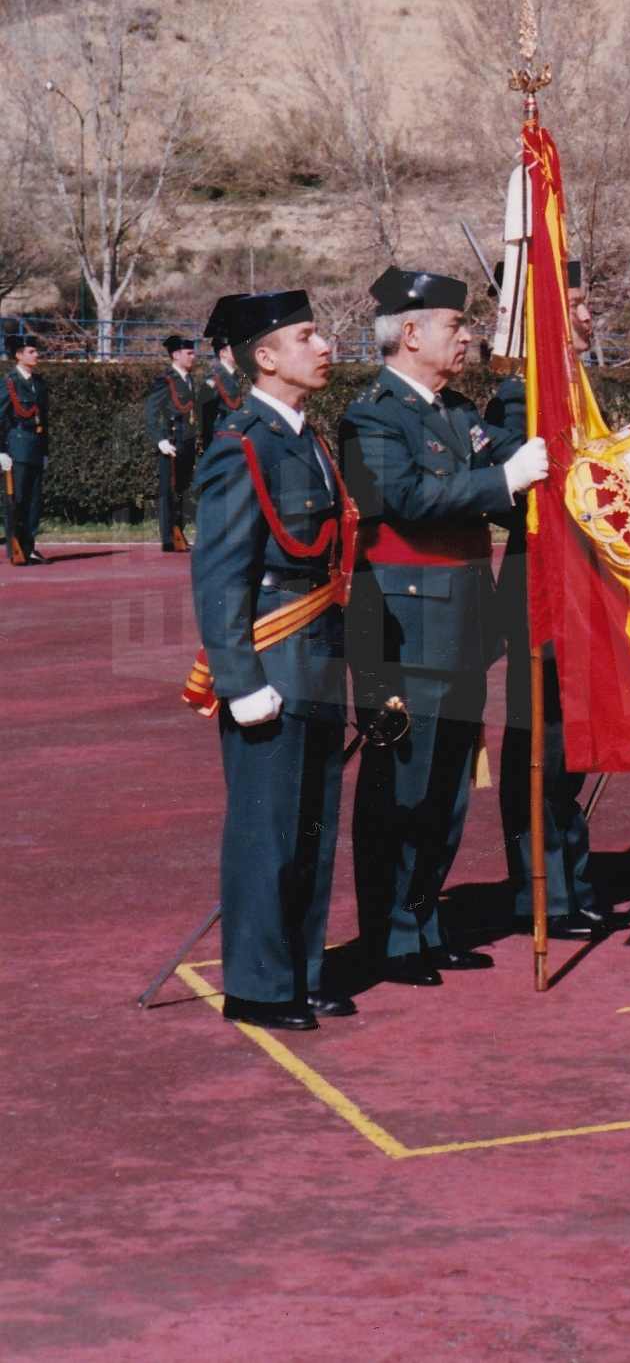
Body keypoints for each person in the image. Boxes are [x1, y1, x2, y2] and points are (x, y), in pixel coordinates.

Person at [341, 265, 545, 986]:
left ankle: (426, 925)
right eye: (456, 326)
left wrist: (531, 403)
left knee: (448, 790)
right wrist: (505, 480)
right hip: (403, 626)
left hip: (461, 625)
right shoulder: (373, 417)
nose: (468, 337)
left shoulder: (457, 414)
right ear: (410, 332)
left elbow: (505, 478)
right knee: (401, 788)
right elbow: (401, 498)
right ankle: (390, 937)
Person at [190, 289, 355, 1032]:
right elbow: (220, 575)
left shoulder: (305, 438)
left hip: (318, 647)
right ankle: (258, 986)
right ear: (266, 356)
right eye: (308, 337)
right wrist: (239, 681)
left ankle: (303, 970)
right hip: (271, 655)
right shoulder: (242, 443)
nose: (324, 348)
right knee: (267, 829)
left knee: (313, 827)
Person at [486, 259, 610, 938]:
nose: (588, 317)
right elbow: (510, 493)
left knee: (571, 747)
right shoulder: (521, 396)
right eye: (577, 304)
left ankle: (571, 879)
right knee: (540, 745)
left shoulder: (577, 388)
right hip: (541, 590)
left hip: (582, 590)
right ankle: (541, 888)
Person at [145, 333, 198, 551]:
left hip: (187, 441)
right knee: (169, 491)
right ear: (176, 355)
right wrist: (160, 440)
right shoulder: (166, 380)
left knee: (183, 490)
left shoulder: (189, 379)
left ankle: (179, 532)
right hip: (172, 441)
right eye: (189, 353)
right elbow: (151, 412)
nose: (193, 357)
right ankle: (168, 538)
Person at [0, 334, 50, 565]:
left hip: (36, 446)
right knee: (17, 500)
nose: (36, 354)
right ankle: (15, 548)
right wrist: (2, 451)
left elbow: (45, 418)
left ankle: (29, 546)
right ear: (19, 355)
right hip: (17, 445)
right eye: (31, 351)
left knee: (34, 500)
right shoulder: (9, 381)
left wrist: (46, 450)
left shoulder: (39, 382)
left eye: (35, 351)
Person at [198, 297, 247, 451]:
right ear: (223, 353)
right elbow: (206, 417)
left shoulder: (234, 376)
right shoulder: (214, 378)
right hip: (220, 444)